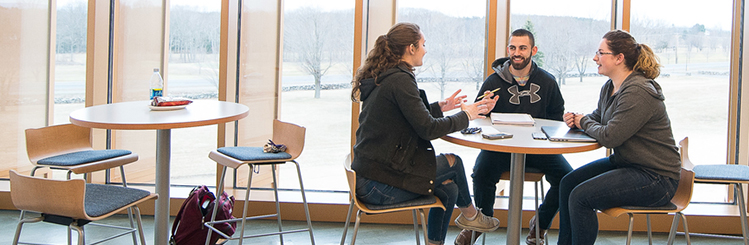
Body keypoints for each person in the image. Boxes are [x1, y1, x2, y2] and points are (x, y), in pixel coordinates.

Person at [350, 22, 500, 245]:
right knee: (454, 164)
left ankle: (440, 240)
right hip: (377, 186)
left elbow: (408, 116)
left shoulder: (389, 76)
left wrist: (441, 107)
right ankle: (471, 216)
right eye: (423, 44)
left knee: (449, 189)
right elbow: (428, 128)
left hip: (371, 176)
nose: (425, 49)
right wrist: (467, 115)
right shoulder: (400, 79)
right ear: (411, 48)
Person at [557, 30, 681, 245]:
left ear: (619, 58)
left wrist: (583, 121)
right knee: (568, 183)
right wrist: (577, 118)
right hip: (629, 164)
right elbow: (599, 118)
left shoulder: (638, 91)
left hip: (656, 178)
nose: (595, 58)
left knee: (581, 197)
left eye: (600, 52)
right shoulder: (611, 86)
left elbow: (610, 136)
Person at [455, 29, 570, 245]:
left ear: (533, 51)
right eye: (513, 47)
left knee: (567, 178)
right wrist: (483, 109)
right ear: (508, 49)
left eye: (523, 48)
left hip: (537, 148)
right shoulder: (492, 82)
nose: (517, 53)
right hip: (500, 147)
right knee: (481, 173)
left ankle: (540, 225)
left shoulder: (548, 82)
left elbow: (556, 118)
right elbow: (477, 116)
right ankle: (481, 221)